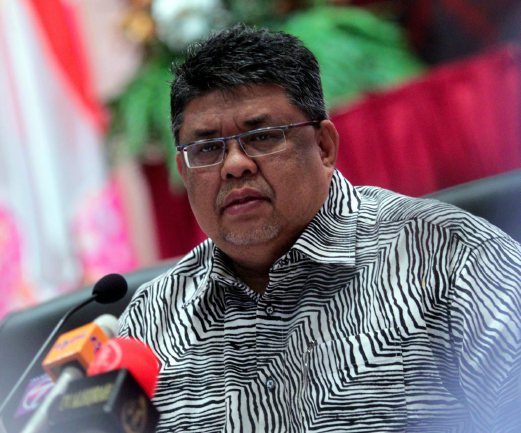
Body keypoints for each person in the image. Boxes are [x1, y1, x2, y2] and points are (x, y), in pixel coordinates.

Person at [118, 24, 521, 432]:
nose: (235, 165)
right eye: (207, 148)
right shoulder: (153, 320)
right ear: (184, 171)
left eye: (262, 137)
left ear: (325, 146)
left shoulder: (453, 259)